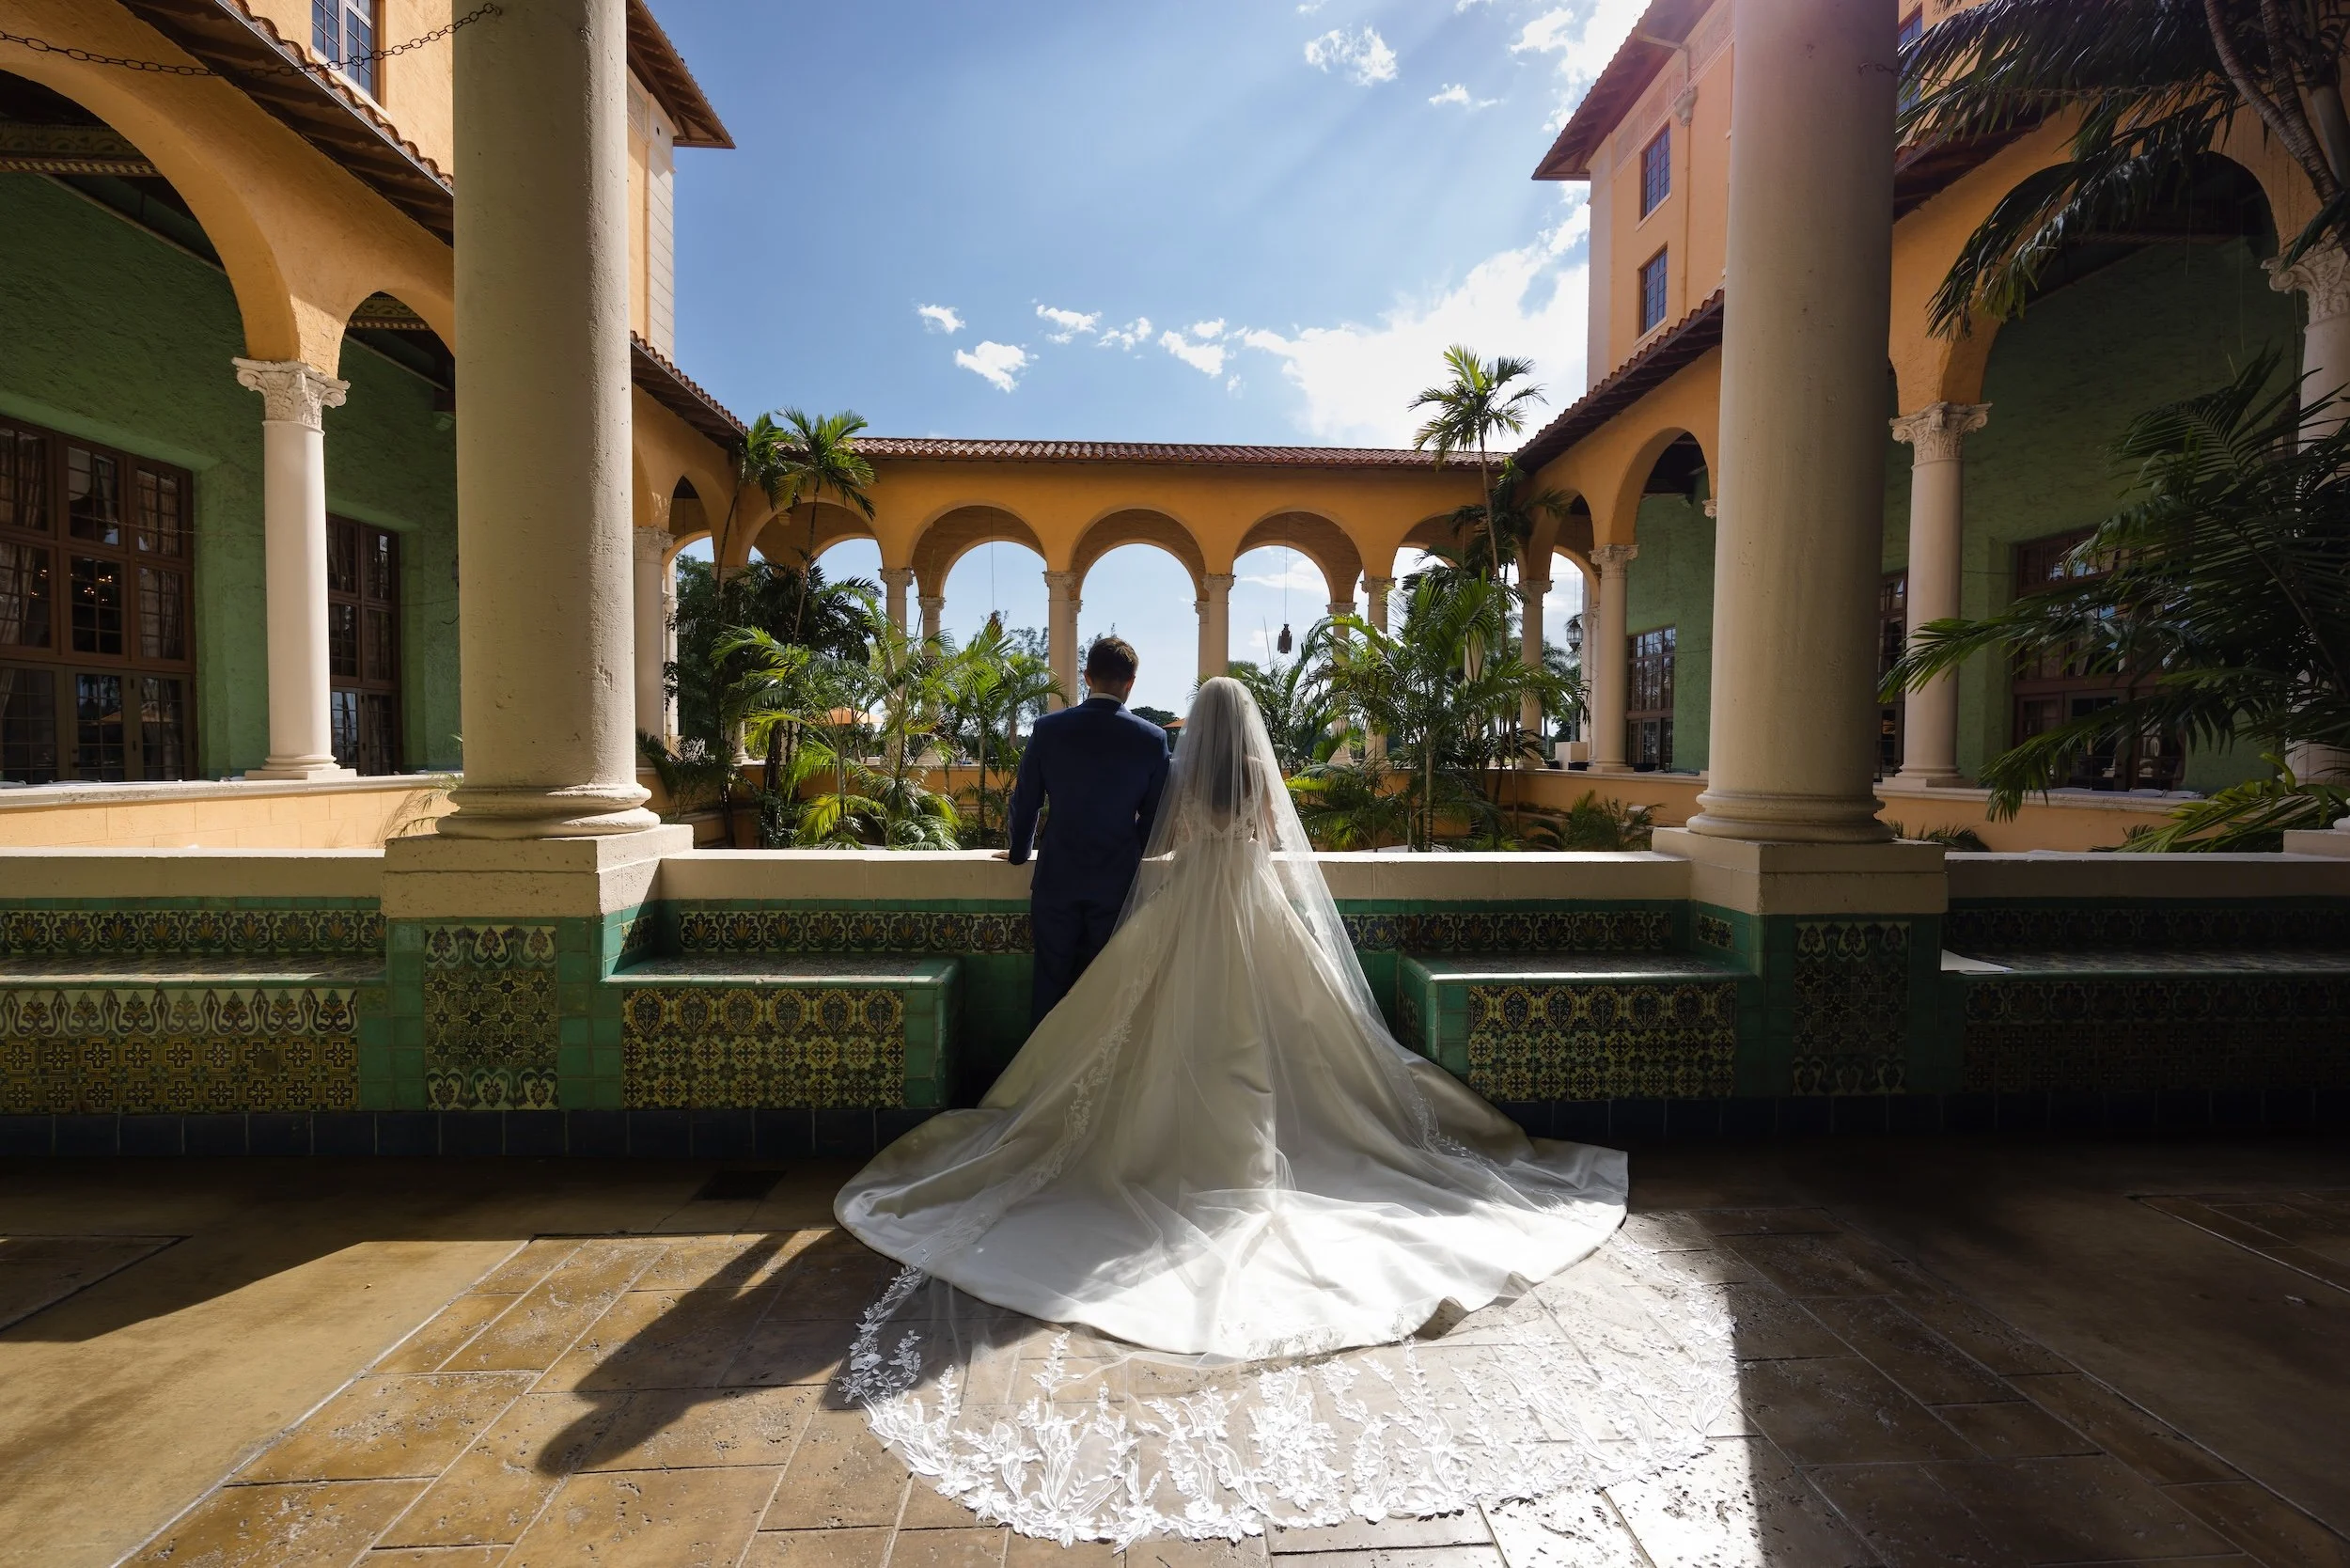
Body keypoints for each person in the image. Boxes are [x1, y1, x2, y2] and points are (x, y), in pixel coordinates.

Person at [838, 676, 1626, 1359]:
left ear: (1202, 722)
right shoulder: (1254, 773)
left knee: (1139, 1021)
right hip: (1251, 903)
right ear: (1246, 725)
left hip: (1188, 904)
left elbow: (1165, 837)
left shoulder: (1180, 771)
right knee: (1299, 1025)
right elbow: (1272, 838)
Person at [1003, 635, 1169, 1023]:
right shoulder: (1152, 738)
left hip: (1057, 878)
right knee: (1107, 986)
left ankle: (1042, 1061)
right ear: (1131, 683)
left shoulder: (1048, 729)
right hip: (1118, 882)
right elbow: (1155, 815)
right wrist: (1134, 856)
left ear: (1087, 676)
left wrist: (1018, 854)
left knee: (1050, 982)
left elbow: (1026, 801)